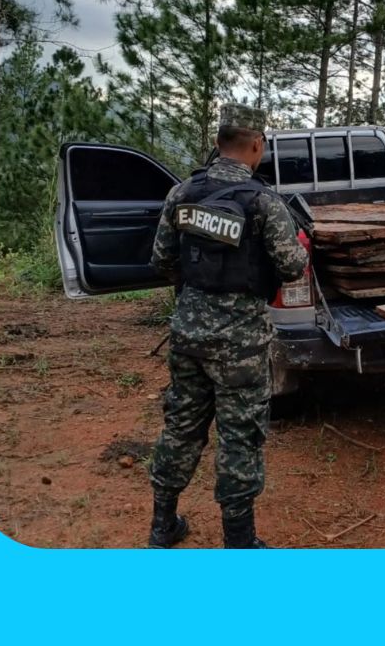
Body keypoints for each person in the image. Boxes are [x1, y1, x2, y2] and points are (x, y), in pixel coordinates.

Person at [145, 104, 308, 549]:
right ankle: (239, 543)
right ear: (257, 146)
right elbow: (292, 267)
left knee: (181, 425)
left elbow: (161, 260)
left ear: (218, 142)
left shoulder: (183, 193)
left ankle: (163, 525)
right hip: (242, 344)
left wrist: (196, 291)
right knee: (241, 435)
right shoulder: (265, 202)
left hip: (188, 335)